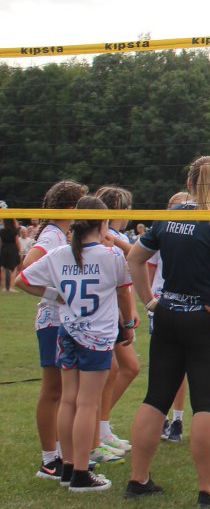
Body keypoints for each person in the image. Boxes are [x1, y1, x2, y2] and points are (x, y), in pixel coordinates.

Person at [125, 156, 210, 508]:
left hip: (168, 315)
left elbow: (134, 258)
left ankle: (138, 479)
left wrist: (149, 301)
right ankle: (209, 490)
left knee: (156, 397)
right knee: (206, 404)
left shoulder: (168, 217)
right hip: (204, 320)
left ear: (189, 185)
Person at [17, 195, 137, 493]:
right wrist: (129, 323)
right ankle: (81, 472)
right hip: (95, 336)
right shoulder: (110, 257)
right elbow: (124, 293)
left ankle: (69, 464)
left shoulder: (60, 254)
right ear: (102, 222)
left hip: (68, 332)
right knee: (86, 402)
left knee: (69, 399)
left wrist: (55, 295)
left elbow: (22, 280)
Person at [24, 179, 89, 481]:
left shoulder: (61, 234)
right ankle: (49, 459)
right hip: (52, 321)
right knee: (53, 391)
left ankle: (62, 455)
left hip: (63, 321)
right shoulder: (51, 237)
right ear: (70, 208)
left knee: (63, 391)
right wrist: (57, 295)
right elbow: (25, 274)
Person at [94, 185, 140, 460]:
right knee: (111, 370)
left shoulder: (117, 235)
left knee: (128, 368)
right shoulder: (105, 236)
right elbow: (134, 255)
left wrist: (131, 310)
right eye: (126, 208)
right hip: (106, 311)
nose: (129, 214)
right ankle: (97, 430)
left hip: (119, 310)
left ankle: (101, 427)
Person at [147, 190, 192, 444]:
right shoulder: (162, 231)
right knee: (163, 364)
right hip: (162, 303)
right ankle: (160, 419)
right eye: (177, 207)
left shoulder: (196, 233)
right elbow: (147, 266)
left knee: (183, 366)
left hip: (188, 303)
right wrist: (148, 301)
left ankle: (177, 419)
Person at [1, 218, 20, 291]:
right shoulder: (14, 231)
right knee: (14, 268)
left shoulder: (2, 231)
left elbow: (1, 242)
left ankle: (4, 288)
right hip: (12, 249)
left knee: (4, 268)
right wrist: (19, 250)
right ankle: (11, 287)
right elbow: (17, 241)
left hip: (4, 248)